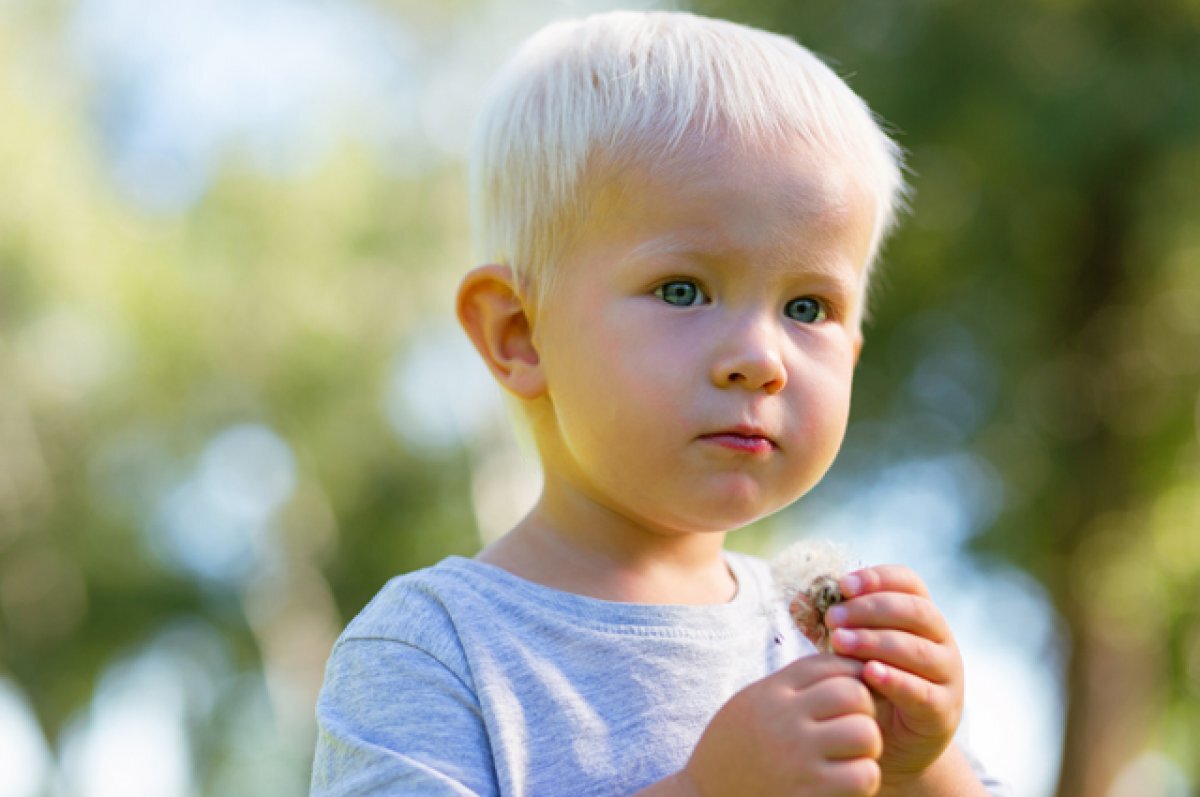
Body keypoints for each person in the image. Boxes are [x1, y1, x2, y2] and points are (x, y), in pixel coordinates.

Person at [312, 10, 1007, 796]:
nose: (761, 358)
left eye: (808, 307)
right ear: (520, 333)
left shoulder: (815, 638)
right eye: (683, 290)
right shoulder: (433, 646)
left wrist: (921, 764)